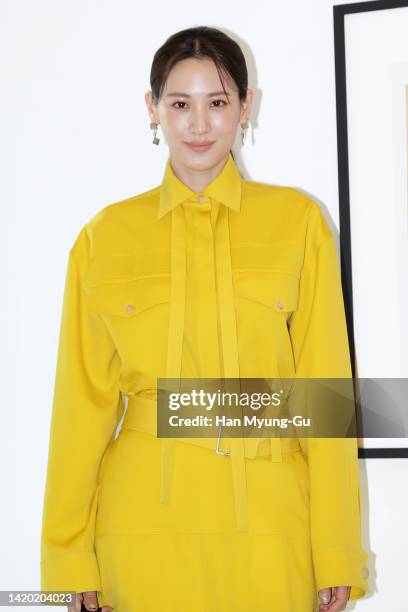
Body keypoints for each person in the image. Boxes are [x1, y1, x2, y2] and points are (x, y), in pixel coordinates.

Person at [40, 25, 369, 612]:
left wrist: (338, 550)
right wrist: (68, 561)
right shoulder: (103, 238)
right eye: (180, 103)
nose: (198, 124)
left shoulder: (299, 224)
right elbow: (80, 411)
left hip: (274, 529)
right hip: (140, 530)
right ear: (153, 110)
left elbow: (326, 399)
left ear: (246, 107)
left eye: (217, 103)